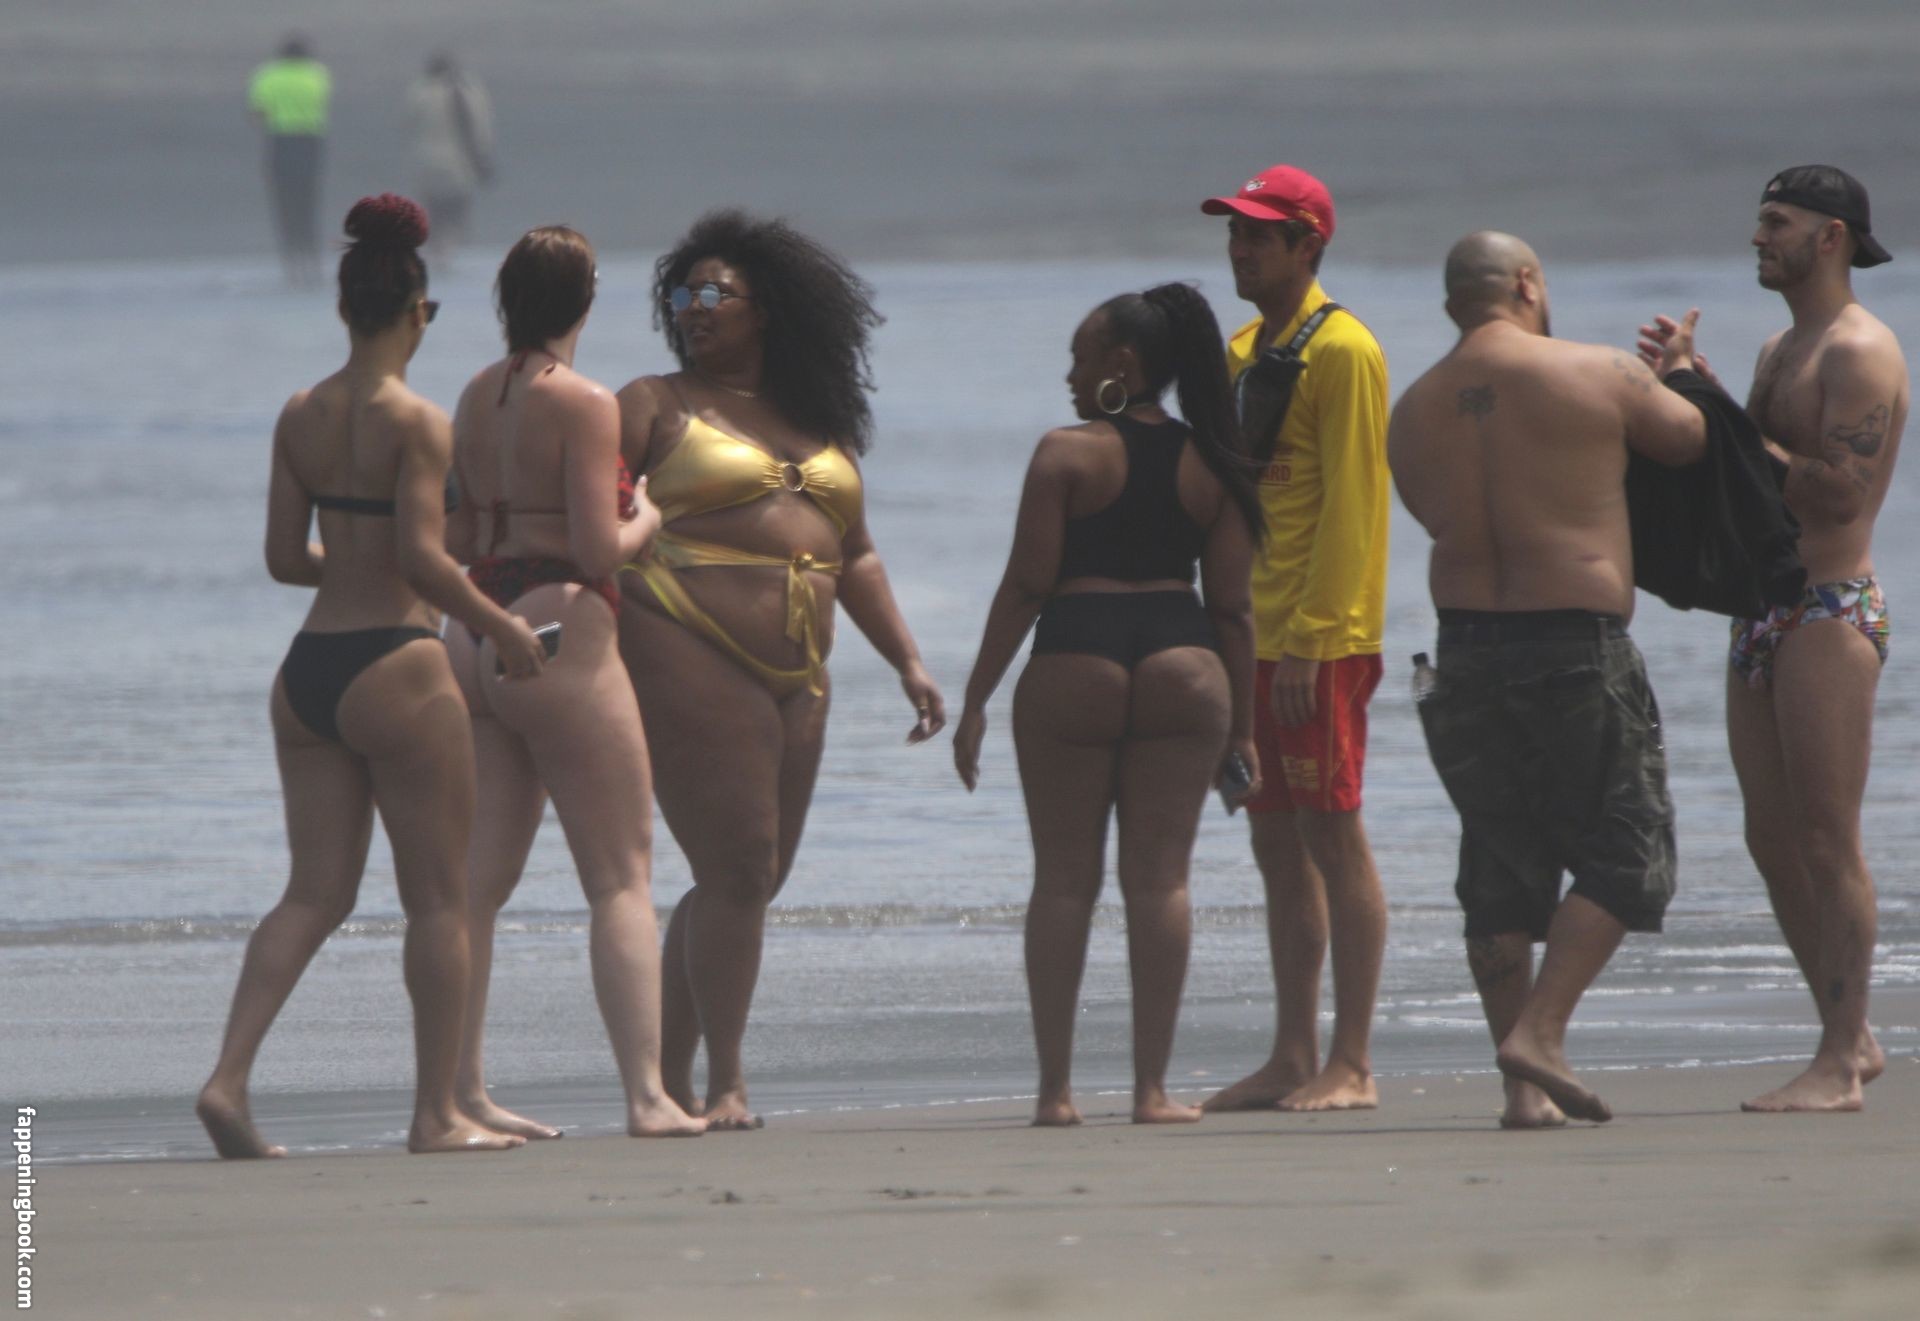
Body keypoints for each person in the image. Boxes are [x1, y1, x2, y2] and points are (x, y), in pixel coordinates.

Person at [197, 195, 545, 1158]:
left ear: (343, 307)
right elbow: (428, 563)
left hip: (308, 671)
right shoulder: (420, 421)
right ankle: (437, 1114)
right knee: (439, 899)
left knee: (311, 893)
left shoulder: (299, 413)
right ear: (417, 312)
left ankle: (227, 1080)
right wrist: (503, 626)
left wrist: (353, 564)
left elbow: (283, 557)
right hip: (399, 664)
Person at [614, 210, 946, 1130]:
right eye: (681, 294)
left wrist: (909, 661)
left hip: (803, 667)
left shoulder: (819, 420)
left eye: (713, 292)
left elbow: (857, 553)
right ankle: (726, 1082)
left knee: (750, 876)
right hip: (681, 634)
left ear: (766, 308)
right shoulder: (652, 403)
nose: (693, 307)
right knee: (738, 867)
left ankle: (669, 1077)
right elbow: (586, 509)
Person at [1392, 231, 1707, 1126]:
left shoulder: (1411, 410)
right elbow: (1688, 440)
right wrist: (1681, 370)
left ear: (1453, 303)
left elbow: (1431, 512)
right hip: (1574, 643)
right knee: (1630, 851)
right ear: (1527, 284)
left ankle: (1521, 1094)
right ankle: (1541, 1032)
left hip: (1462, 651)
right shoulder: (1597, 371)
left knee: (1497, 860)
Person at [952, 284, 1262, 1126]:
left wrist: (976, 698)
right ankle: (1151, 1091)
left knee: (1064, 881)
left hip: (1076, 657)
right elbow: (1235, 609)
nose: (1069, 376)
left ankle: (1055, 1093)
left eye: (1080, 358)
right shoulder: (1215, 460)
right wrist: (1245, 728)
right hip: (1184, 661)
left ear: (1122, 364)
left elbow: (1027, 586)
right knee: (1160, 881)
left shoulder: (1065, 455)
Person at [1640, 166, 1908, 1112]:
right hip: (1762, 611)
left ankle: (1839, 1061)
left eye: (1776, 221)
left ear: (1831, 237)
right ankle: (1851, 1032)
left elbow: (1835, 494)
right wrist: (1696, 392)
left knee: (1828, 836)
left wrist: (1713, 413)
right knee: (1769, 835)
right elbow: (1746, 468)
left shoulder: (1860, 349)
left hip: (1830, 609)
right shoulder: (1778, 346)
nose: (1758, 237)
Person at [446, 227, 706, 1141]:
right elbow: (600, 550)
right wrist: (651, 517)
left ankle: (462, 1091)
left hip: (473, 627)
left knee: (476, 885)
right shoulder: (586, 401)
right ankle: (648, 1096)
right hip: (559, 625)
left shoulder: (474, 395)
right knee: (619, 876)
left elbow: (458, 535)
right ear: (586, 300)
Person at [1196, 165, 1392, 1113]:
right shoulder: (1241, 350)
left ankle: (1352, 1061)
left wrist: (1315, 639)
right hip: (1250, 638)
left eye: (1258, 236)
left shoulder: (1344, 349)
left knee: (1333, 837)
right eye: (1234, 234)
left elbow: (1356, 504)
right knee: (1275, 846)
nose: (1239, 250)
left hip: (1322, 642)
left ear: (1308, 244)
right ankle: (1291, 1053)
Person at [248, 35, 331, 285]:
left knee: (284, 203)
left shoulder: (267, 75)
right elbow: (322, 103)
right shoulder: (318, 74)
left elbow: (257, 115)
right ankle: (312, 260)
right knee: (309, 201)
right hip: (310, 143)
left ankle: (291, 263)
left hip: (280, 142)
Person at [408, 53, 494, 257]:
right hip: (459, 162)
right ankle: (450, 250)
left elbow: (407, 124)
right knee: (455, 209)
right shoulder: (469, 90)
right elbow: (480, 129)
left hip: (426, 160)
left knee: (433, 208)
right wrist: (483, 157)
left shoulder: (419, 91)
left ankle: (436, 250)